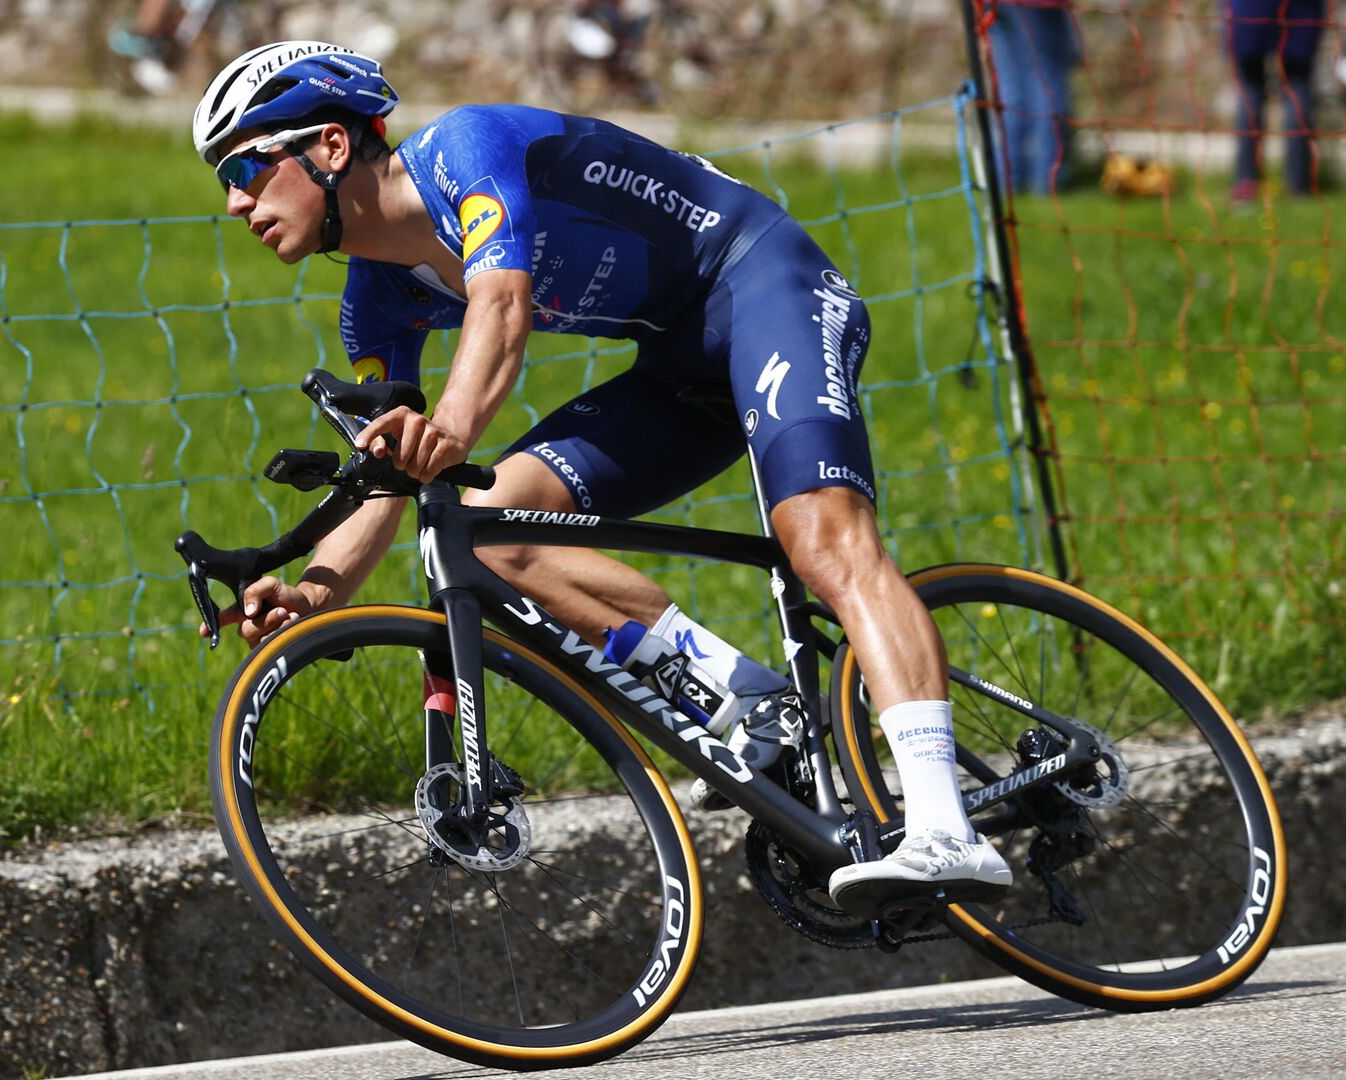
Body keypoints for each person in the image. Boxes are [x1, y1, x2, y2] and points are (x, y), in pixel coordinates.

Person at [190, 40, 1012, 915]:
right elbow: (384, 477)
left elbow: (501, 305)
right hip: (678, 364)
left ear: (329, 147)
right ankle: (751, 705)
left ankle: (943, 825)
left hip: (767, 282)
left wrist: (450, 430)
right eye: (224, 181)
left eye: (246, 165)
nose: (237, 201)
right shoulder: (375, 299)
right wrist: (316, 594)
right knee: (491, 526)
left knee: (823, 540)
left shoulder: (462, 151)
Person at [1225, 0, 1327, 201]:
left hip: (1250, 8)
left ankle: (1246, 183)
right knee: (1297, 86)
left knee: (1250, 87)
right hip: (1300, 9)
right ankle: (1298, 186)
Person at [986, 0, 1083, 194]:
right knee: (1047, 81)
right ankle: (1049, 178)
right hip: (1038, 4)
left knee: (1010, 85)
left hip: (994, 3)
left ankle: (1008, 178)